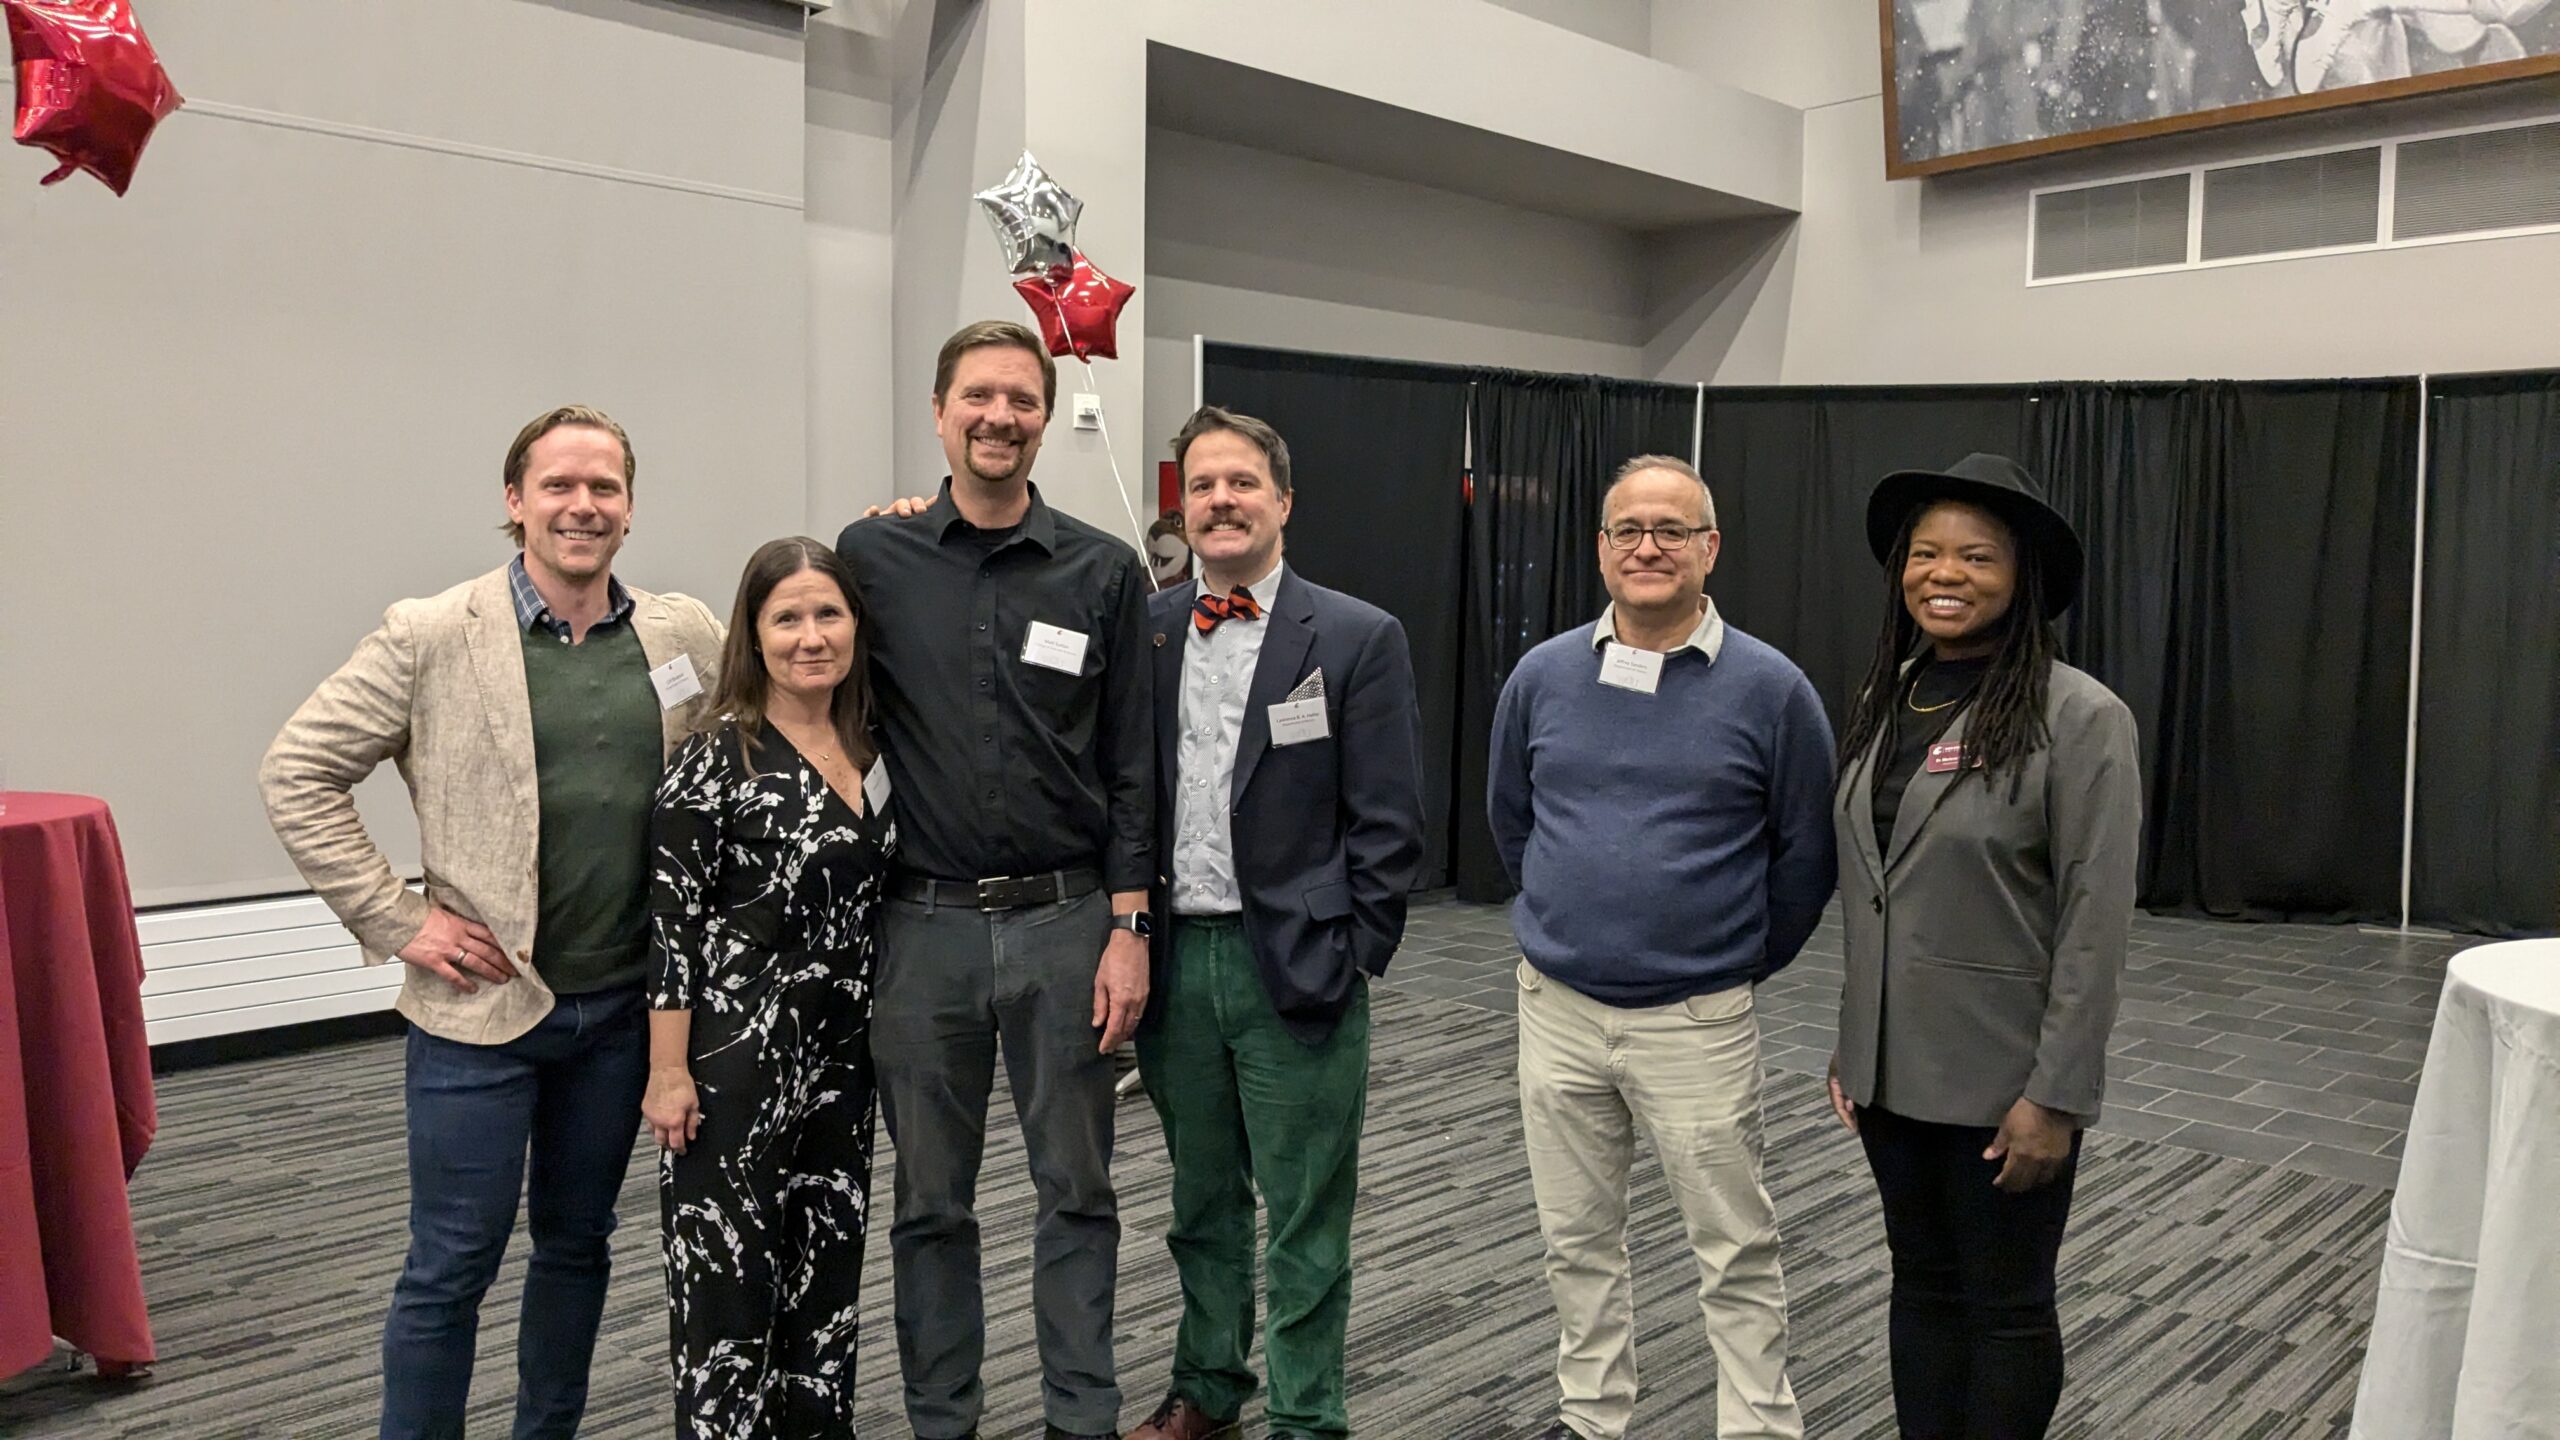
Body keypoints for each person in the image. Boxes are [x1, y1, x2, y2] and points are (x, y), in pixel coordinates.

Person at [259, 405, 723, 1439]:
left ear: (630, 508)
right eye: (557, 485)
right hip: (477, 1013)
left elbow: (769, 721)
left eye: (603, 487)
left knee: (576, 1243)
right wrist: (396, 919)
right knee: (451, 1262)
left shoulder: (679, 633)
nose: (582, 505)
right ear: (513, 503)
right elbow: (297, 771)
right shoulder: (433, 633)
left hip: (618, 1015)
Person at [834, 319, 1154, 1440]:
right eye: (977, 397)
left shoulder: (1103, 570)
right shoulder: (871, 558)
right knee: (929, 1206)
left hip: (1070, 926)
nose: (999, 418)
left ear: (1042, 417)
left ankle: (1082, 1419)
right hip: (921, 934)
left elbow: (1130, 763)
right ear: (938, 412)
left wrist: (1129, 925)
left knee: (1079, 1194)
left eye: (1021, 400)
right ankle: (943, 1422)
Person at [1489, 456, 1836, 1440]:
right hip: (1555, 1010)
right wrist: (1574, 920)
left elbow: (1805, 857)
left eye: (1671, 531)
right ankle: (1591, 1419)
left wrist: (1723, 959)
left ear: (1709, 548)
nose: (1648, 547)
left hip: (1696, 1020)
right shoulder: (1542, 674)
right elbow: (1512, 821)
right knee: (1575, 1241)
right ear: (1599, 549)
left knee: (1734, 1248)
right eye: (1627, 530)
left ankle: (1759, 1428)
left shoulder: (1772, 690)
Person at [1823, 454, 2141, 1440]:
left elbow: (2095, 921)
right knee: (1919, 1290)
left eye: (1973, 555)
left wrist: (2057, 1094)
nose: (1942, 572)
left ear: (2022, 576)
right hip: (1888, 1074)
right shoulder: (1894, 694)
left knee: (2004, 1309)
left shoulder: (2078, 716)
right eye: (1924, 553)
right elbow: (1880, 888)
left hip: (2005, 1085)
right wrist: (1850, 1040)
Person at [1124, 407, 1425, 1440]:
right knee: (1200, 1204)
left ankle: (1307, 1415)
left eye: (1242, 482)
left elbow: (1390, 822)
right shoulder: (1152, 627)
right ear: (1183, 506)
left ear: (1282, 501)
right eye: (1201, 485)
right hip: (1176, 967)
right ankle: (1207, 1387)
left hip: (1295, 968)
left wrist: (1354, 954)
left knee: (1305, 1216)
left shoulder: (1352, 634)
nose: (1220, 500)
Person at [646, 537, 894, 1438]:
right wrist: (668, 1073)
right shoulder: (718, 758)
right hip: (734, 1060)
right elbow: (671, 927)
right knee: (729, 1287)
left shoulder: (871, 744)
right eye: (786, 617)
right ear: (753, 633)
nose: (811, 636)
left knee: (824, 1273)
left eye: (829, 613)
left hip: (842, 1058)